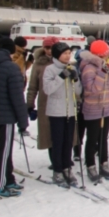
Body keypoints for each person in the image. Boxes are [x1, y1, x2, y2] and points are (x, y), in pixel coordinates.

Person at [80, 40, 109, 182]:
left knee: (103, 138)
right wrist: (103, 73)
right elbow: (92, 89)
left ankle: (104, 164)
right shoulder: (89, 67)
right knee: (92, 139)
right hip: (93, 108)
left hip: (106, 106)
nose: (107, 57)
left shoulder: (104, 66)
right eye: (105, 54)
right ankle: (91, 166)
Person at [42, 42, 82, 186]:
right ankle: (57, 170)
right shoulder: (50, 69)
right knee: (58, 142)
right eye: (65, 53)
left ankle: (67, 167)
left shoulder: (72, 68)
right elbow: (48, 89)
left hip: (70, 111)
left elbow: (78, 91)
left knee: (68, 142)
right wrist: (61, 77)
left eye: (69, 53)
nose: (68, 55)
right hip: (56, 111)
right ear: (57, 55)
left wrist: (76, 79)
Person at [0, 37, 29, 198]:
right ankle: (1, 184)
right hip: (5, 118)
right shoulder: (11, 68)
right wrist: (23, 122)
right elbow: (17, 97)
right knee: (4, 152)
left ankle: (8, 179)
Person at [26, 36, 58, 166]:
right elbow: (33, 86)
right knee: (49, 133)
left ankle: (63, 159)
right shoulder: (39, 64)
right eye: (47, 47)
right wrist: (29, 104)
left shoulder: (63, 61)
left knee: (62, 133)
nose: (49, 50)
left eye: (52, 47)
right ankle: (54, 160)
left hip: (63, 103)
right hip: (46, 103)